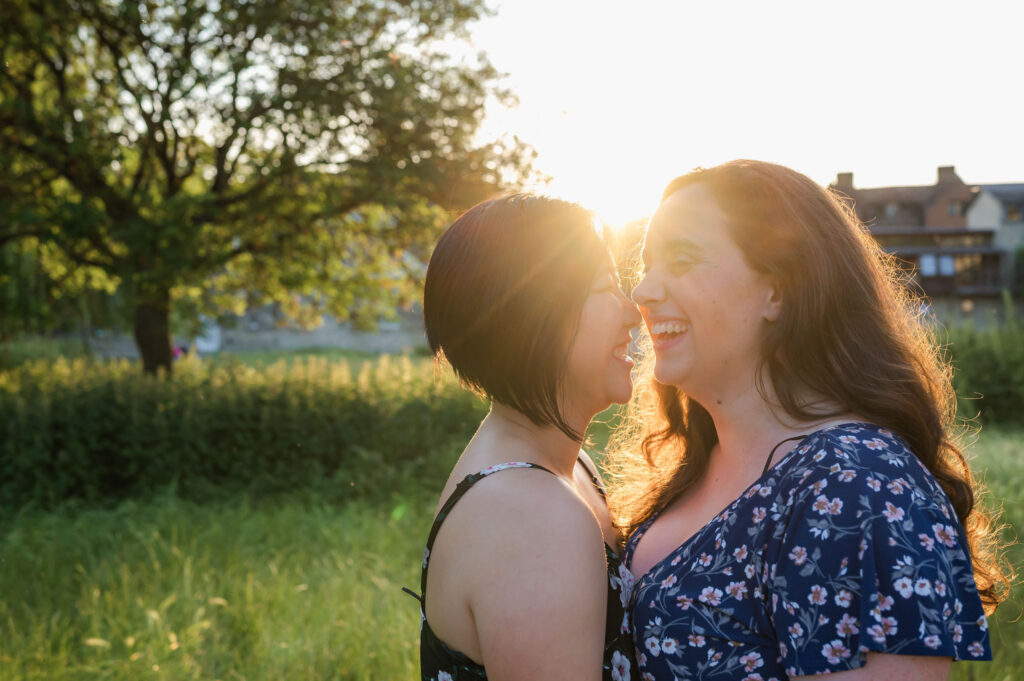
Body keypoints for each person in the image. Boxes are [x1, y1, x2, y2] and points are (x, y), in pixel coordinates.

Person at [606, 160, 1011, 680]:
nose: (643, 292)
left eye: (682, 259)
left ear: (778, 289)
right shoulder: (701, 461)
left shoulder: (859, 488)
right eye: (647, 267)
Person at [415, 194, 641, 681]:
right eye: (606, 287)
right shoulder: (529, 514)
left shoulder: (565, 470)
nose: (633, 314)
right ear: (540, 316)